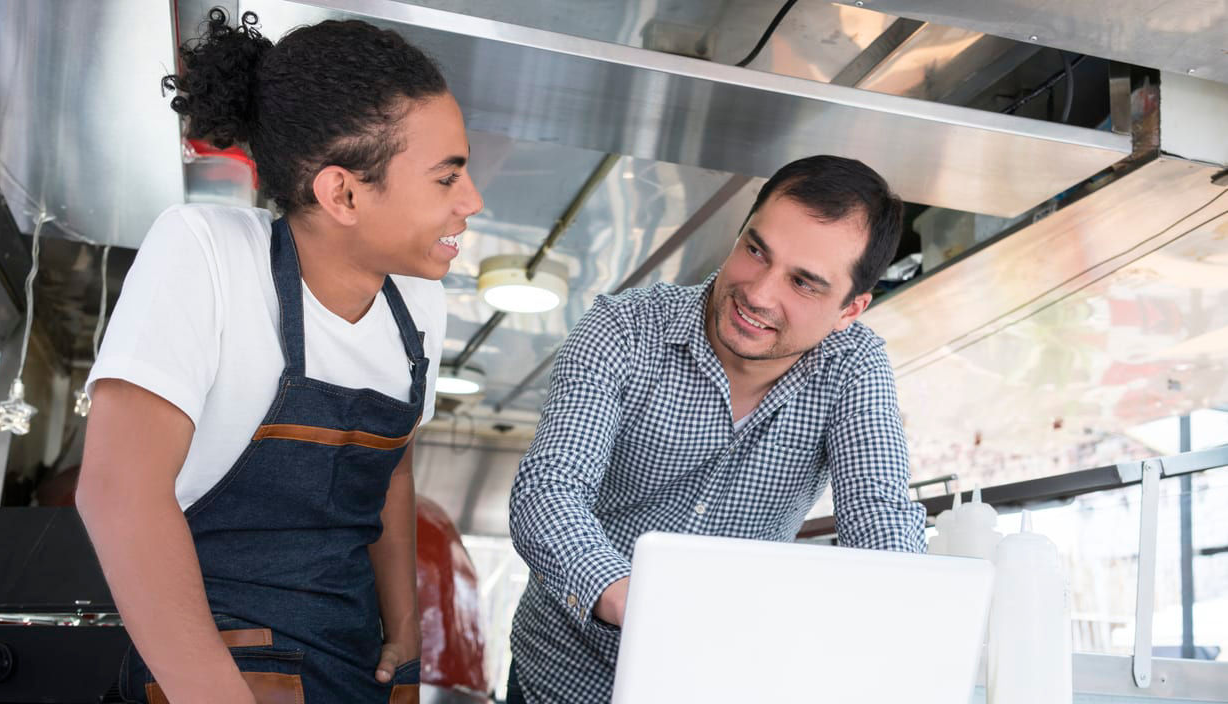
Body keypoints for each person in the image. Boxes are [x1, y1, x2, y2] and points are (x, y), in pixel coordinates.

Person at [76, 9, 482, 703]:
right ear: (342, 192)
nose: (470, 202)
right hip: (216, 661)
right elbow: (119, 495)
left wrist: (405, 631)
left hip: (352, 658)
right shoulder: (205, 252)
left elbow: (389, 467)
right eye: (446, 179)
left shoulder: (418, 303)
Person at [506, 155, 927, 703]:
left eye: (803, 283)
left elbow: (879, 511)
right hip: (563, 678)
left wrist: (905, 631)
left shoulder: (853, 366)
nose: (758, 293)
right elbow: (548, 490)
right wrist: (632, 599)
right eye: (756, 251)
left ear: (850, 310)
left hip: (713, 684)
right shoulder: (624, 328)